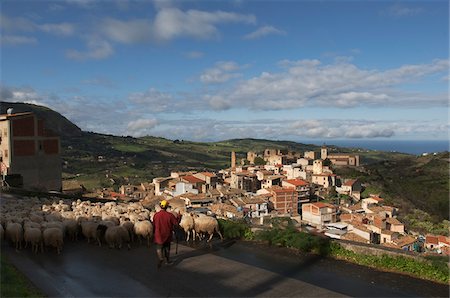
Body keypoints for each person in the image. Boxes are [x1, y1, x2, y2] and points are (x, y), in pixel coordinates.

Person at [153, 200, 179, 268]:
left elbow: (154, 225)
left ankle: (160, 258)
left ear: (160, 206)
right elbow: (176, 224)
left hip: (158, 234)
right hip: (167, 234)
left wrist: (153, 233)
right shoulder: (170, 215)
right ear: (167, 206)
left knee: (159, 247)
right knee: (167, 247)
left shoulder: (156, 215)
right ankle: (167, 261)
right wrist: (178, 217)